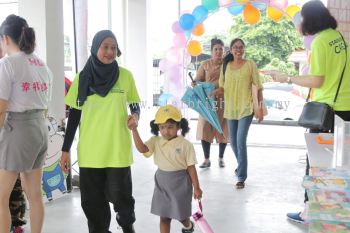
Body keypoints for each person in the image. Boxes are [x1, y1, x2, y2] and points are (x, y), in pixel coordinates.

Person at [271, 0, 350, 223]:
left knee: (316, 164)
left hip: (326, 114)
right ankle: (338, 216)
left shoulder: (320, 42)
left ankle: (311, 214)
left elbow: (317, 80)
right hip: (345, 110)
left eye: (303, 18)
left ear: (311, 19)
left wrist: (287, 77)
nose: (301, 22)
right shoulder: (339, 38)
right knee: (340, 166)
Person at [60, 30, 140, 233]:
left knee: (122, 198)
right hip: (90, 152)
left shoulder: (125, 76)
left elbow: (134, 104)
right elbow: (74, 116)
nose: (110, 52)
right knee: (93, 204)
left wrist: (135, 117)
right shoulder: (82, 78)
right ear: (96, 48)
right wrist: (65, 149)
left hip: (117, 151)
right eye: (105, 47)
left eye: (113, 47)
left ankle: (128, 228)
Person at [0, 14, 52, 233]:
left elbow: (1, 109)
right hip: (40, 129)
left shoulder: (7, 64)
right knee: (35, 196)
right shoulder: (41, 64)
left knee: (0, 198)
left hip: (18, 129)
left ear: (5, 38)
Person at [129, 105, 202, 233]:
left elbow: (191, 168)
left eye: (170, 127)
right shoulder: (155, 141)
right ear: (158, 127)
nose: (166, 131)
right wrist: (134, 131)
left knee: (181, 216)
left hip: (181, 184)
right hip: (162, 183)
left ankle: (188, 225)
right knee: (164, 217)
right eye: (162, 127)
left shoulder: (186, 145)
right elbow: (142, 149)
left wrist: (196, 187)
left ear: (179, 126)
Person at [211, 38, 264, 189]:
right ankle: (241, 165)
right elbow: (222, 87)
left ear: (244, 49)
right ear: (231, 49)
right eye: (235, 47)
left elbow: (258, 87)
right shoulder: (226, 66)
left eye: (241, 47)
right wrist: (215, 92)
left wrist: (259, 107)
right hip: (231, 109)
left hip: (246, 108)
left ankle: (241, 177)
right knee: (232, 142)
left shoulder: (250, 65)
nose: (238, 50)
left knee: (240, 141)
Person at [192, 38, 228, 168]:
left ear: (224, 51)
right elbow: (197, 79)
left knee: (223, 128)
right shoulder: (205, 64)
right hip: (207, 102)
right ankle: (206, 159)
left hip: (223, 102)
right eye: (216, 49)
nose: (218, 52)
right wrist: (195, 82)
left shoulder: (228, 65)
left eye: (221, 49)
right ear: (212, 51)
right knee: (204, 127)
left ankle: (221, 158)